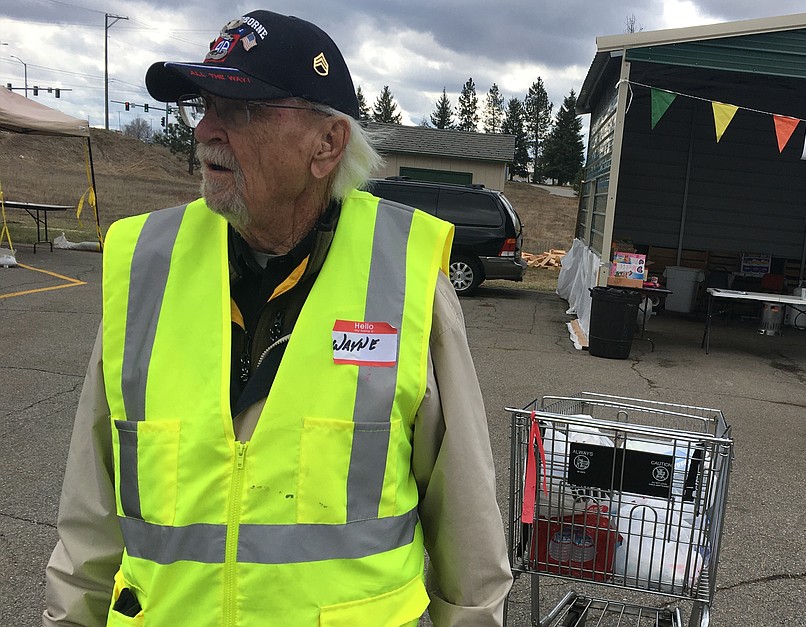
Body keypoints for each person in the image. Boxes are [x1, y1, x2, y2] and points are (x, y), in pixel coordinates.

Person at [43, 10, 512, 626]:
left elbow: (469, 533)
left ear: (327, 145)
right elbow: (89, 521)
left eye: (240, 110)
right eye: (204, 105)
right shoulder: (145, 269)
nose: (206, 130)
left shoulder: (406, 279)